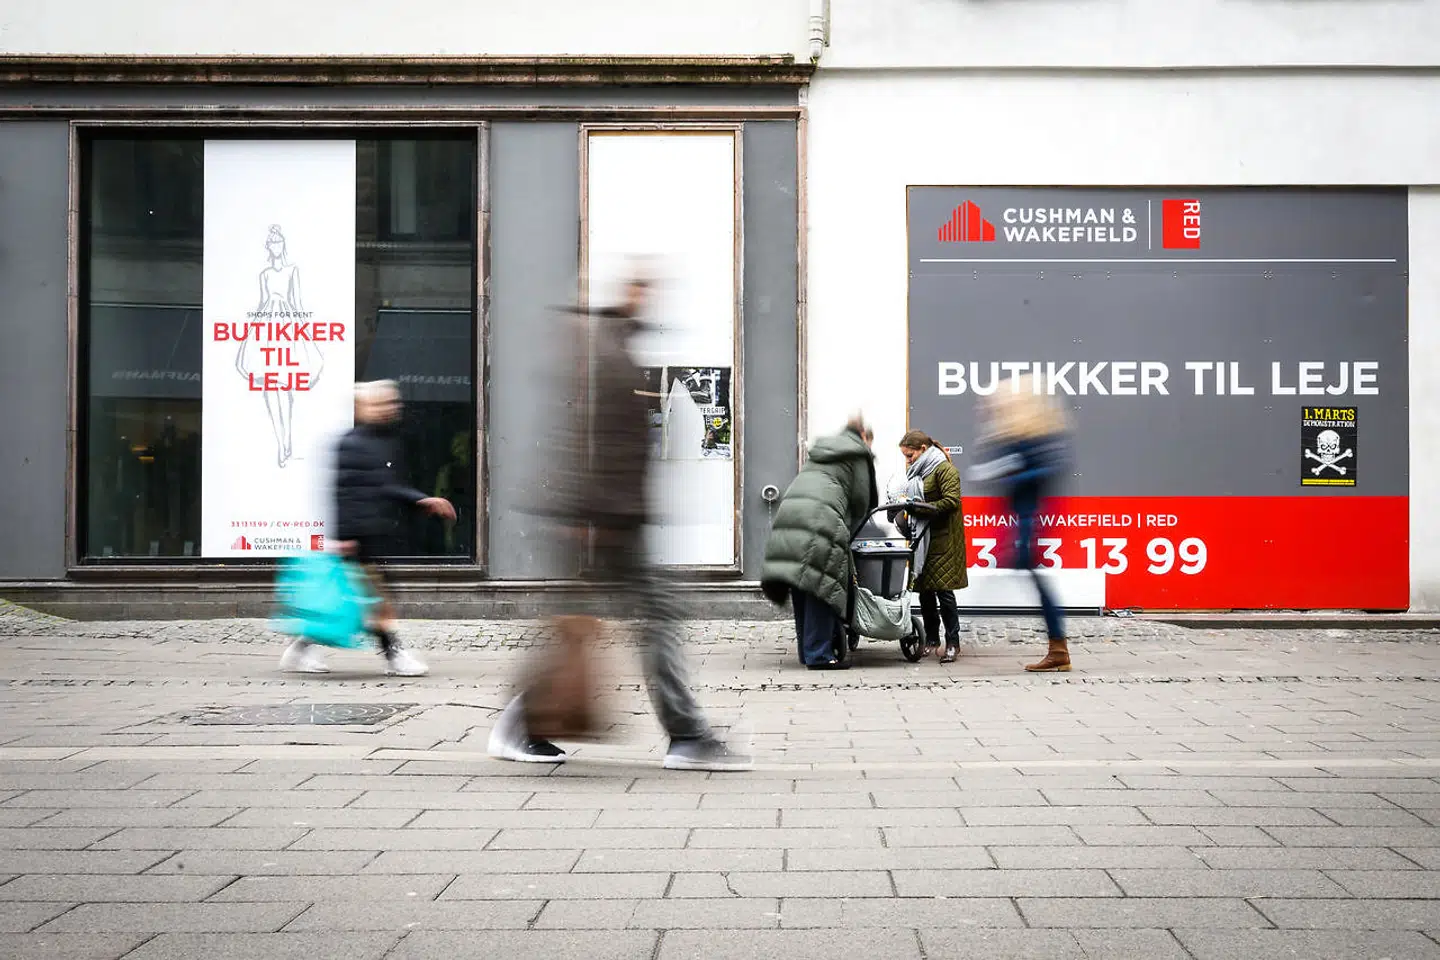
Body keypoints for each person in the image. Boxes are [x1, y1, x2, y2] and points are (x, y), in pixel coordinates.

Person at [487, 275, 752, 771]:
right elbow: (583, 440)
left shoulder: (613, 351)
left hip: (610, 519)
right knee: (638, 620)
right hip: (602, 522)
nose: (655, 298)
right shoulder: (602, 353)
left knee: (601, 625)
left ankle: (526, 721)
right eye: (646, 289)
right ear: (629, 297)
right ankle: (686, 735)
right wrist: (592, 518)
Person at [279, 380, 455, 677]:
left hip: (374, 533)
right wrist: (344, 536)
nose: (390, 408)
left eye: (393, 402)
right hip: (359, 536)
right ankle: (394, 656)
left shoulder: (386, 440)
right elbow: (344, 492)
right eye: (382, 403)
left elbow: (388, 486)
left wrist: (422, 500)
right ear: (364, 408)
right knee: (375, 601)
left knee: (355, 601)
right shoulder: (354, 443)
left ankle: (302, 647)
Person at [966, 378, 1072, 672]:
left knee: (1033, 580)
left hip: (1030, 523)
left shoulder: (1037, 441)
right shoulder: (1018, 440)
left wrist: (1007, 472)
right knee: (1034, 581)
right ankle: (1058, 648)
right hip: (1022, 523)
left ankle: (1059, 649)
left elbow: (1042, 474)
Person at [760, 415, 878, 670]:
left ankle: (808, 650)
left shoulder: (822, 452)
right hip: (820, 520)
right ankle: (820, 655)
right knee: (824, 587)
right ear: (864, 437)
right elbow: (862, 501)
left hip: (790, 515)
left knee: (804, 585)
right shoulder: (858, 453)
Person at [896, 430, 968, 662]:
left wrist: (920, 507)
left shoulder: (944, 469)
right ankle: (932, 639)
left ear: (923, 450)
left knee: (944, 591)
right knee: (925, 592)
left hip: (943, 538)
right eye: (905, 456)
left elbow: (951, 500)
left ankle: (953, 643)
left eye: (910, 455)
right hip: (923, 537)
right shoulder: (916, 470)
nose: (907, 460)